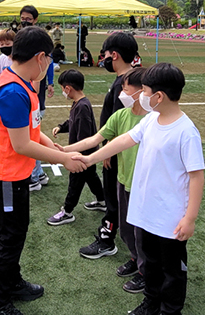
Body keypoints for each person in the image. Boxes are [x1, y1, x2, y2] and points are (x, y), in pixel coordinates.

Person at [74, 62, 205, 315]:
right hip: (146, 212)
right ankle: (151, 303)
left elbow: (197, 176)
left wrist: (190, 218)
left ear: (158, 96)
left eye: (144, 90)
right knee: (151, 264)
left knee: (172, 270)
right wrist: (90, 158)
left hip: (171, 219)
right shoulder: (152, 120)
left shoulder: (186, 132)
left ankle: (170, 309)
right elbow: (125, 140)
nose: (141, 96)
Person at [0, 26, 87, 315]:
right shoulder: (13, 90)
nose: (49, 64)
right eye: (49, 58)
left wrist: (54, 147)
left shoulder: (22, 83)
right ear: (40, 57)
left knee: (15, 232)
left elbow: (32, 130)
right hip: (3, 175)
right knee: (10, 237)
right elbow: (22, 145)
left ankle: (12, 283)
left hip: (12, 174)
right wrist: (63, 160)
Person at [60, 67, 148, 293]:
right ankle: (135, 260)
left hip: (144, 186)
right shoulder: (120, 116)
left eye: (126, 87)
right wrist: (63, 150)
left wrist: (85, 159)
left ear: (142, 90)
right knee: (127, 230)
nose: (121, 91)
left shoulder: (151, 121)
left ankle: (145, 273)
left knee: (142, 233)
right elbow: (94, 139)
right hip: (123, 180)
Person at [79, 32, 136, 259]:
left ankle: (107, 239)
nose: (103, 60)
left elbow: (123, 122)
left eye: (105, 56)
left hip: (118, 154)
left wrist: (109, 150)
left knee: (113, 197)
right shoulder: (124, 81)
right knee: (115, 197)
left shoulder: (126, 85)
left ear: (115, 55)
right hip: (116, 150)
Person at [47, 69, 104, 226]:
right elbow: (72, 122)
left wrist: (75, 154)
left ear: (68, 88)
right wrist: (61, 127)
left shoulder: (82, 107)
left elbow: (85, 137)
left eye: (62, 89)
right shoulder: (78, 104)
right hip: (84, 153)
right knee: (92, 178)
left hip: (82, 155)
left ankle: (67, 211)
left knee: (75, 183)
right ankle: (102, 200)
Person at [17, 5, 55, 192]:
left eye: (28, 18)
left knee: (31, 132)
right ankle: (35, 174)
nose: (24, 21)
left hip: (34, 99)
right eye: (22, 18)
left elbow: (29, 138)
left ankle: (35, 174)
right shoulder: (14, 91)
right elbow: (23, 143)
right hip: (7, 176)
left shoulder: (19, 88)